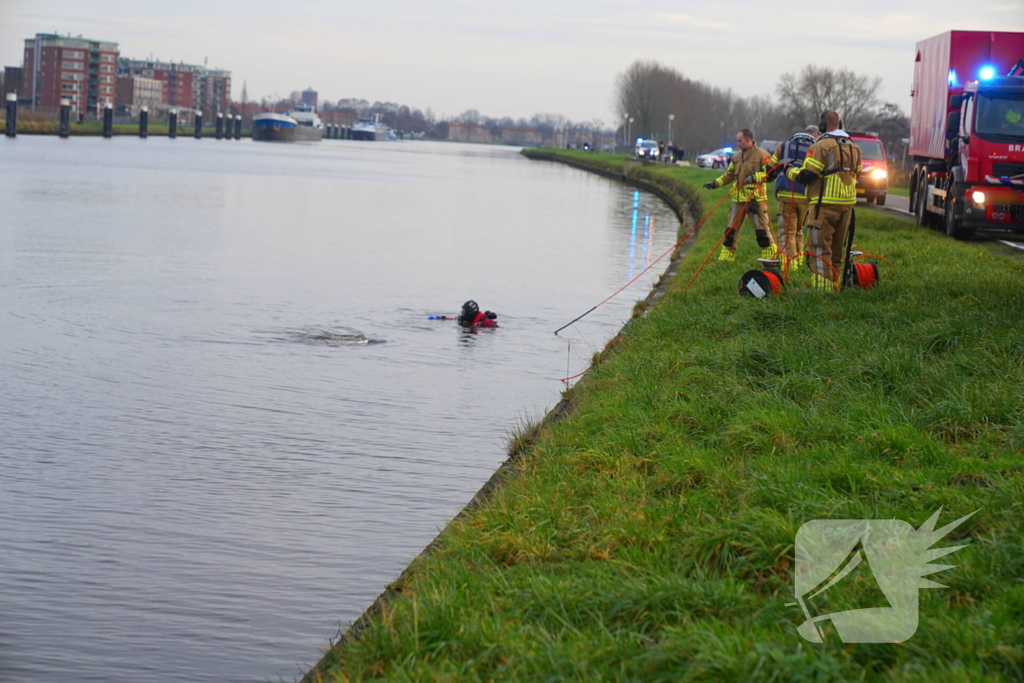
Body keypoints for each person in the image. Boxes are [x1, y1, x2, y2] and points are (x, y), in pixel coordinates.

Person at [781, 111, 862, 290]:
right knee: (837, 247)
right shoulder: (854, 146)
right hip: (847, 205)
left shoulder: (820, 146)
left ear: (823, 126)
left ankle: (823, 290)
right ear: (840, 124)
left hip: (824, 204)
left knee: (819, 246)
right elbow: (858, 171)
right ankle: (835, 284)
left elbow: (807, 175)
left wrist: (788, 170)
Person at [702, 129, 777, 261]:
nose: (737, 143)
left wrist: (754, 177)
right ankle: (726, 257)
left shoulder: (762, 155)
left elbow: (771, 175)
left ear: (748, 140)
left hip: (755, 201)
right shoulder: (736, 157)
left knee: (761, 231)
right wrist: (715, 183)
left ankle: (770, 255)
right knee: (730, 231)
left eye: (739, 140)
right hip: (738, 200)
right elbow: (729, 175)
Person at [770, 125, 820, 268]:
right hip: (806, 196)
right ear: (816, 135)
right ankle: (798, 260)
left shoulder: (784, 146)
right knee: (798, 230)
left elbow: (770, 169)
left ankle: (789, 265)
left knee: (787, 232)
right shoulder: (817, 149)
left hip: (785, 195)